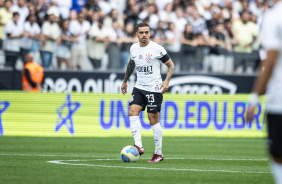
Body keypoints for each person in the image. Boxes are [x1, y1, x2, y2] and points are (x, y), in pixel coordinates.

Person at [121, 23, 175, 163]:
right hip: (139, 87)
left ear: (149, 33)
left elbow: (171, 65)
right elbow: (131, 64)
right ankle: (138, 145)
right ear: (137, 34)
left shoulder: (157, 48)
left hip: (154, 89)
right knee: (132, 111)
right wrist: (125, 81)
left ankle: (158, 153)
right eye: (141, 32)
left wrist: (167, 81)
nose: (144, 35)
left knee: (153, 119)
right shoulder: (133, 48)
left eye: (146, 32)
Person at [246, 0, 282, 183]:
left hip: (279, 99)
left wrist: (254, 99)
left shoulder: (273, 16)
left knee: (278, 154)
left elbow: (270, 60)